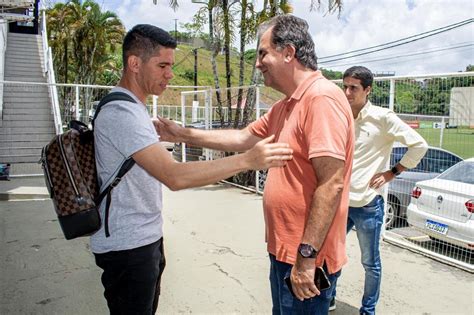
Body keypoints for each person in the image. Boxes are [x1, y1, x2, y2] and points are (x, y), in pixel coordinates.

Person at [156, 15, 354, 314]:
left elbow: (332, 182)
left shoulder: (321, 99)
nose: (258, 63)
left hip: (305, 258)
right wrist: (182, 134)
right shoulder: (287, 105)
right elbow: (243, 137)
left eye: (263, 53)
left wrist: (306, 256)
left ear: (288, 52)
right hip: (285, 251)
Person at [91, 24, 293, 315]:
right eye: (162, 65)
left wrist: (184, 134)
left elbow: (242, 136)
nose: (170, 74)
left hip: (142, 238)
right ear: (134, 64)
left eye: (171, 66)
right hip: (127, 247)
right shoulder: (122, 112)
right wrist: (248, 160)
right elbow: (174, 176)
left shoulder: (134, 108)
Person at [330, 66, 428, 314]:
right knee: (331, 254)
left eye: (354, 87)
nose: (347, 92)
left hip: (367, 204)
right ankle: (329, 297)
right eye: (345, 86)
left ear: (368, 89)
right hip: (340, 201)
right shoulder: (341, 115)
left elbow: (419, 145)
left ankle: (368, 309)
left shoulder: (383, 118)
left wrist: (392, 172)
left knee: (370, 263)